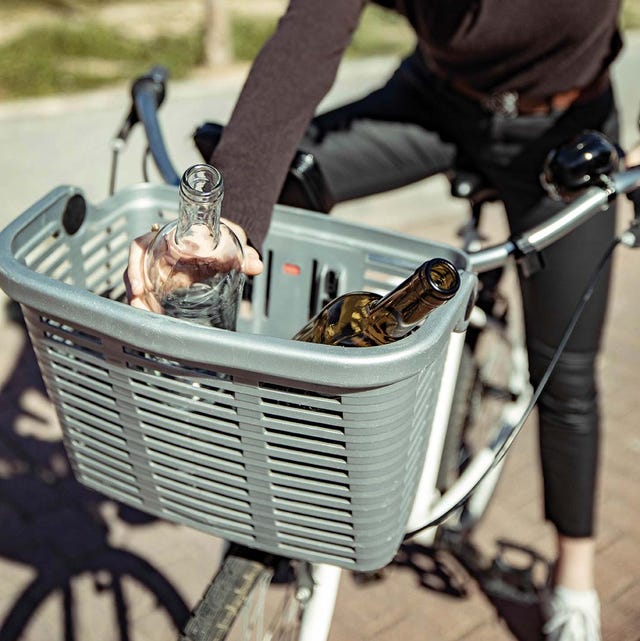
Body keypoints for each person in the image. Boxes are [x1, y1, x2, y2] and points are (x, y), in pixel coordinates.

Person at [126, 2, 625, 639]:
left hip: (566, 124)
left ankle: (573, 575)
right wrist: (223, 220)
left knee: (566, 371)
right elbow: (306, 38)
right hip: (437, 102)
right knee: (278, 181)